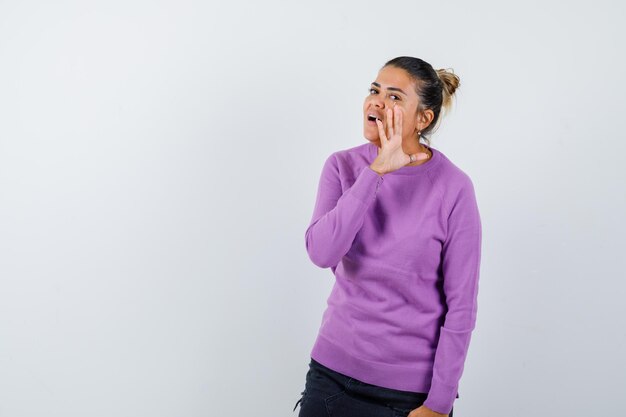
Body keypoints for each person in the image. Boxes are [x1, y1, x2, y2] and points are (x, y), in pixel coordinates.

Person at [293, 56, 482, 417]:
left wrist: (439, 404)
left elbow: (461, 306)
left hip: (408, 395)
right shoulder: (342, 166)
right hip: (330, 377)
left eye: (395, 97)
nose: (376, 101)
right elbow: (321, 252)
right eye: (374, 90)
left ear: (423, 119)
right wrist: (376, 170)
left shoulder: (454, 188)